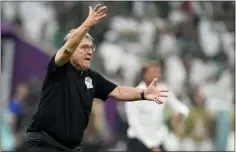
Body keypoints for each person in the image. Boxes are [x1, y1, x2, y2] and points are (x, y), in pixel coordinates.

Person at [26, 4, 169, 152]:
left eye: (91, 48)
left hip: (71, 147)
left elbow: (118, 92)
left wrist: (143, 94)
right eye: (83, 47)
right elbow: (67, 49)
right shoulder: (59, 68)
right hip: (45, 144)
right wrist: (88, 23)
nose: (89, 51)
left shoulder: (92, 77)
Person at [125, 61, 189, 152]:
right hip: (139, 141)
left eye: (158, 72)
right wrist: (150, 145)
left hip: (158, 139)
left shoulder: (164, 91)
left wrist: (181, 114)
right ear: (144, 74)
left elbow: (182, 107)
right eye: (152, 72)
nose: (156, 75)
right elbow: (134, 124)